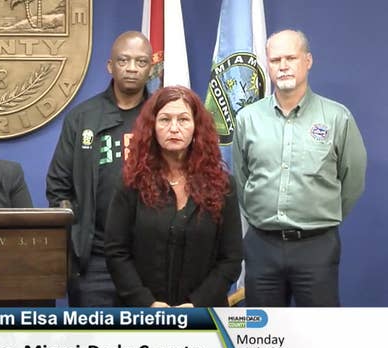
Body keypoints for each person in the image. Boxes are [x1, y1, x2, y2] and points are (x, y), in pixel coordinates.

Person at [233, 30, 367, 307]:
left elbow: (352, 179)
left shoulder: (336, 117)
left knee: (319, 337)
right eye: (275, 60)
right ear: (267, 65)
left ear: (308, 61)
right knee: (263, 338)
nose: (283, 66)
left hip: (316, 247)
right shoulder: (248, 119)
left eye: (290, 58)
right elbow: (242, 179)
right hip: (262, 246)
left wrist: (321, 214)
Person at [104, 86, 242, 307]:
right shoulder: (132, 183)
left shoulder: (222, 186)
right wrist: (146, 302)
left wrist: (196, 304)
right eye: (165, 120)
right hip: (140, 314)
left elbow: (231, 260)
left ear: (197, 127)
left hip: (202, 316)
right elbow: (116, 252)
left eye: (183, 120)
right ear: (152, 127)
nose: (174, 128)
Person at [46, 31, 154, 307]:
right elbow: (58, 186)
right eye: (124, 60)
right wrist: (77, 239)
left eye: (141, 62)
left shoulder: (163, 118)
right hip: (94, 261)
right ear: (110, 66)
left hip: (150, 259)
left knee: (152, 346)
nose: (132, 68)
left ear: (151, 69)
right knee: (92, 346)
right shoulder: (82, 117)